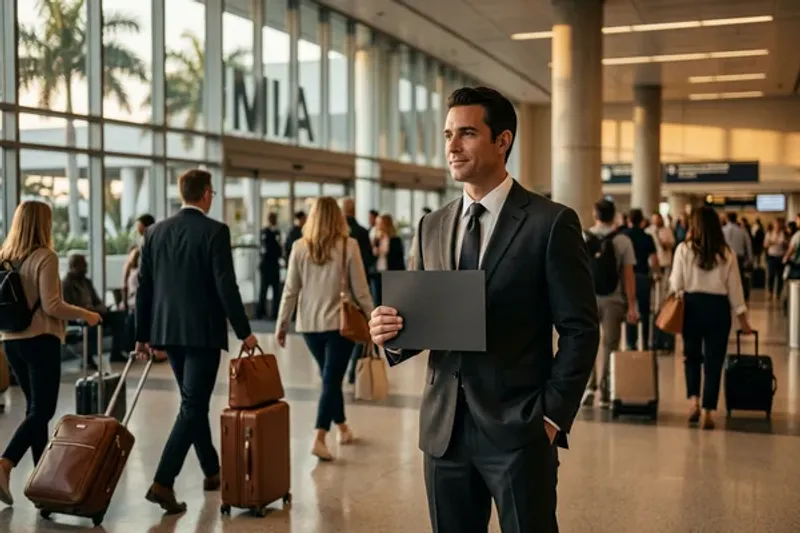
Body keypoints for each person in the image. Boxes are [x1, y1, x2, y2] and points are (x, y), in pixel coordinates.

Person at [368, 87, 600, 533]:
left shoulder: (549, 223)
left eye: (467, 133)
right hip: (444, 432)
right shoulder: (431, 225)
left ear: (503, 140)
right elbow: (426, 314)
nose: (452, 147)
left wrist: (550, 418)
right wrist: (390, 331)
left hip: (519, 430)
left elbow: (580, 330)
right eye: (448, 135)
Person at [135, 168, 258, 514]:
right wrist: (243, 330)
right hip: (202, 333)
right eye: (213, 193)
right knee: (192, 405)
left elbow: (144, 288)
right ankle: (163, 481)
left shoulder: (155, 232)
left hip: (167, 333)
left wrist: (142, 336)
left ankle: (211, 470)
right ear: (205, 194)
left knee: (193, 400)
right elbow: (226, 286)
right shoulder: (215, 232)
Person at [0, 201, 101, 507]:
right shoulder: (45, 256)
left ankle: (43, 482)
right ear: (43, 223)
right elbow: (52, 305)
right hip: (39, 340)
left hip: (10, 341)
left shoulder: (6, 257)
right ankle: (5, 463)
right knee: (42, 411)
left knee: (35, 411)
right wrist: (87, 315)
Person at [275, 197, 373, 461]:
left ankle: (342, 427)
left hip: (308, 326)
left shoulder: (298, 247)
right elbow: (361, 290)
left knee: (331, 378)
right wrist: (373, 318)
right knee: (331, 379)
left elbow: (290, 290)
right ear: (338, 217)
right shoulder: (348, 246)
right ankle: (319, 436)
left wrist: (282, 323)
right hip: (341, 326)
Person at [670, 206, 751, 430]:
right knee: (714, 361)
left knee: (692, 357)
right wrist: (743, 320)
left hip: (692, 306)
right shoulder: (727, 253)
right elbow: (735, 289)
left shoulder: (683, 249)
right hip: (718, 308)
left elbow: (676, 284)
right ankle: (708, 411)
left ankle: (693, 402)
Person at [583, 199, 638, 407]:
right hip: (613, 300)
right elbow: (628, 276)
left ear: (595, 214)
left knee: (587, 343)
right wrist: (632, 305)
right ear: (614, 216)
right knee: (610, 345)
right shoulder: (622, 240)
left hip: (586, 299)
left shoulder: (582, 237)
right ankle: (606, 392)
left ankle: (588, 387)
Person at [62, 253, 127, 364]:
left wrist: (101, 307)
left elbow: (96, 300)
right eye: (83, 265)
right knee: (91, 323)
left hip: (93, 312)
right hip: (78, 316)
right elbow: (68, 306)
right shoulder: (66, 284)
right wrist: (87, 310)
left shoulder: (87, 282)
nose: (86, 268)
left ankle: (116, 353)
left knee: (119, 317)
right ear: (74, 266)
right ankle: (88, 359)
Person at [624, 208, 658, 351]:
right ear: (642, 221)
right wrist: (657, 273)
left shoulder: (624, 236)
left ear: (629, 220)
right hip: (643, 276)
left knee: (629, 310)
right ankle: (644, 341)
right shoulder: (647, 237)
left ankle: (631, 342)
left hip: (627, 278)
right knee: (644, 311)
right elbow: (654, 259)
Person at [256, 212, 282, 319]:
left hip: (274, 265)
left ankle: (275, 313)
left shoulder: (277, 233)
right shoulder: (265, 232)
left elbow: (279, 249)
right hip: (266, 266)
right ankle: (260, 312)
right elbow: (267, 249)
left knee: (276, 291)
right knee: (263, 290)